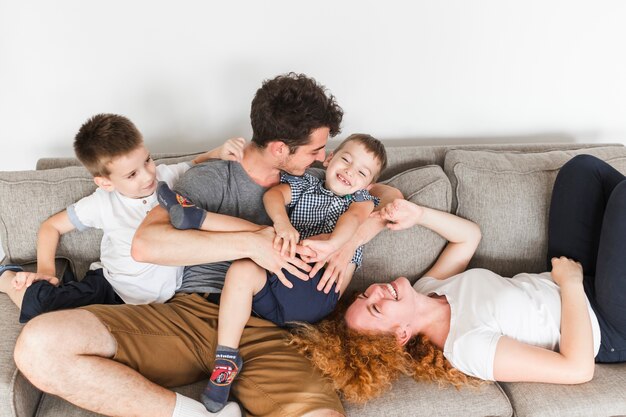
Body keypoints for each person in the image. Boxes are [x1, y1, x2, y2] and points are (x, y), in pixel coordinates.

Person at [14, 73, 400, 417]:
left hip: (269, 327)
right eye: (316, 150)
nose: (324, 157)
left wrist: (350, 242)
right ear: (281, 148)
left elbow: (384, 193)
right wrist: (251, 243)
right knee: (39, 346)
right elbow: (147, 245)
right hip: (191, 313)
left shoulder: (314, 179)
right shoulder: (212, 178)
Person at [290, 154, 626, 403]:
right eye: (377, 308)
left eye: (365, 296)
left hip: (574, 276)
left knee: (582, 172)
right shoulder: (467, 347)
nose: (377, 291)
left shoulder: (428, 290)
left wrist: (418, 215)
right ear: (401, 335)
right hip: (605, 323)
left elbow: (469, 237)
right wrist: (569, 284)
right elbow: (577, 369)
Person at [157, 133, 388, 411]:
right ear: (328, 159)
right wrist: (282, 223)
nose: (350, 171)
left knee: (278, 242)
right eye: (345, 160)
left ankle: (200, 219)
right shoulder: (305, 182)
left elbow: (354, 220)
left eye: (361, 171)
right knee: (242, 268)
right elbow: (273, 196)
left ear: (369, 184)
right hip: (281, 276)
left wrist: (336, 245)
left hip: (316, 289)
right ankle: (225, 360)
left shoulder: (361, 200)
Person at [0, 113, 244, 323]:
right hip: (110, 287)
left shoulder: (166, 177)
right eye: (132, 175)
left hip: (165, 299)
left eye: (147, 160)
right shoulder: (102, 203)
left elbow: (195, 163)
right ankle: (6, 277)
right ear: (106, 182)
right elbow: (50, 227)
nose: (148, 176)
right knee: (42, 307)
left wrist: (219, 151)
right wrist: (47, 271)